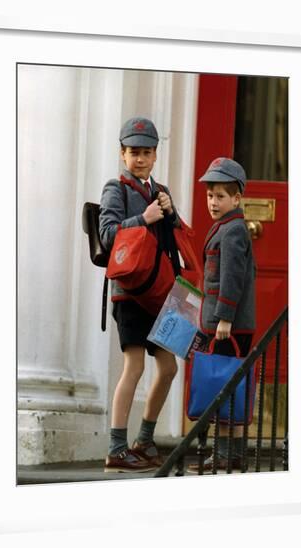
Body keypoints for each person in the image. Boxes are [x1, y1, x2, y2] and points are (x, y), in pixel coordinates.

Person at [99, 117, 180, 473]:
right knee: (135, 364)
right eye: (134, 152)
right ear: (122, 154)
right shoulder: (115, 188)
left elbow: (175, 241)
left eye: (146, 152)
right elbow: (107, 234)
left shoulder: (161, 190)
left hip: (162, 292)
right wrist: (144, 218)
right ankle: (117, 448)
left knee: (169, 366)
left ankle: (144, 441)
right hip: (130, 293)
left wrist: (172, 215)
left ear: (156, 155)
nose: (140, 159)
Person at [189, 157, 256, 471]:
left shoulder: (233, 231)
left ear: (237, 198)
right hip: (221, 324)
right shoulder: (224, 227)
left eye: (220, 196)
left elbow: (231, 277)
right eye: (209, 196)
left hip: (229, 326)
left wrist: (225, 317)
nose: (213, 202)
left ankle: (228, 454)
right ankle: (230, 453)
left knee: (227, 386)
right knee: (226, 385)